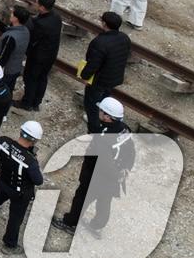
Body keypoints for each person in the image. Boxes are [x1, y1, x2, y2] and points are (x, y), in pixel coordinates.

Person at [52, 97, 135, 236]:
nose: (99, 112)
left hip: (97, 176)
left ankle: (70, 223)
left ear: (108, 117)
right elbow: (131, 151)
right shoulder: (124, 130)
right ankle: (97, 225)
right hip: (114, 176)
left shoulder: (103, 137)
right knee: (104, 201)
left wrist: (113, 175)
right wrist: (124, 170)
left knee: (82, 199)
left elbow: (104, 162)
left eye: (101, 111)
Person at [0, 121, 45, 252]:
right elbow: (38, 181)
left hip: (2, 182)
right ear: (35, 141)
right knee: (15, 217)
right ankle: (9, 244)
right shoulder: (30, 161)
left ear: (21, 131)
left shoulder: (2, 141)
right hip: (19, 192)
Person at [80, 12, 131, 133]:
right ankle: (104, 120)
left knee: (92, 104)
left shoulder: (99, 42)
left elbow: (93, 63)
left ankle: (94, 128)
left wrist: (84, 76)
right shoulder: (124, 38)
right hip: (114, 78)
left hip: (99, 80)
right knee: (105, 99)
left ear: (104, 24)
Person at [16, 0, 62, 112]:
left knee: (31, 78)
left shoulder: (40, 24)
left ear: (42, 7)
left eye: (37, 3)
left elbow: (32, 38)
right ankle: (36, 103)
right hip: (51, 55)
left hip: (38, 56)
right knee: (42, 78)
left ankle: (27, 103)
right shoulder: (56, 17)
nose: (35, 4)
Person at [0, 5, 31, 99]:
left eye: (12, 14)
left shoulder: (10, 38)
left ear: (16, 19)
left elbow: (3, 58)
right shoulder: (25, 31)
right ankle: (6, 104)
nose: (10, 15)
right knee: (8, 90)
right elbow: (7, 30)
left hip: (6, 71)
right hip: (16, 68)